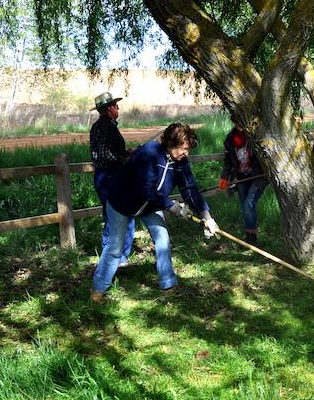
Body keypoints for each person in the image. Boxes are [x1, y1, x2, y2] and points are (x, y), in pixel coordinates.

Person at [92, 123, 219, 300]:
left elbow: (190, 189)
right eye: (183, 148)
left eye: (188, 149)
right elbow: (147, 189)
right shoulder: (148, 153)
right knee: (115, 247)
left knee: (163, 240)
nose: (186, 153)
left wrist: (207, 216)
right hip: (121, 202)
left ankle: (168, 284)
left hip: (150, 206)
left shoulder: (180, 163)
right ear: (171, 143)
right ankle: (98, 289)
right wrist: (171, 206)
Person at [90, 91, 135, 266]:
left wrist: (125, 152)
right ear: (109, 108)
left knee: (117, 216)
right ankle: (115, 259)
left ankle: (115, 257)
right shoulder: (105, 127)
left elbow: (108, 151)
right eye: (116, 105)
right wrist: (126, 159)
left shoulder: (104, 126)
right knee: (117, 216)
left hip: (108, 177)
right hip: (109, 178)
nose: (118, 108)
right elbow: (104, 156)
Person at [219, 124, 266, 244]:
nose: (240, 125)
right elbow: (228, 161)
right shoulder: (230, 139)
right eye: (237, 122)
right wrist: (224, 177)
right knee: (244, 207)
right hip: (240, 177)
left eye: (241, 122)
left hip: (257, 176)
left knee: (249, 204)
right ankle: (249, 236)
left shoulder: (254, 135)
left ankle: (252, 238)